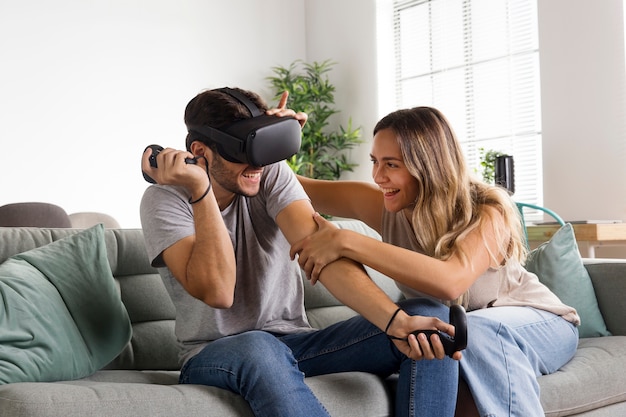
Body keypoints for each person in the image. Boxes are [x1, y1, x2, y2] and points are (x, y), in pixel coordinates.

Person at [139, 87, 465, 417]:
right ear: (200, 151)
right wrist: (200, 189)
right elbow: (219, 291)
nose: (257, 165)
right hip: (214, 355)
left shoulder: (270, 175)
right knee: (258, 346)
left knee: (428, 318)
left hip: (295, 344)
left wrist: (396, 321)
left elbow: (323, 254)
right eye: (244, 152)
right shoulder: (164, 201)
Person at [290, 106, 580, 417]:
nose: (378, 176)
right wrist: (277, 137)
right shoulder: (384, 205)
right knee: (447, 342)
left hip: (540, 322)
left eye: (391, 164)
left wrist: (346, 240)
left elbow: (449, 280)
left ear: (427, 165)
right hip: (460, 337)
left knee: (465, 331)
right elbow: (295, 187)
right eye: (375, 162)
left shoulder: (486, 211)